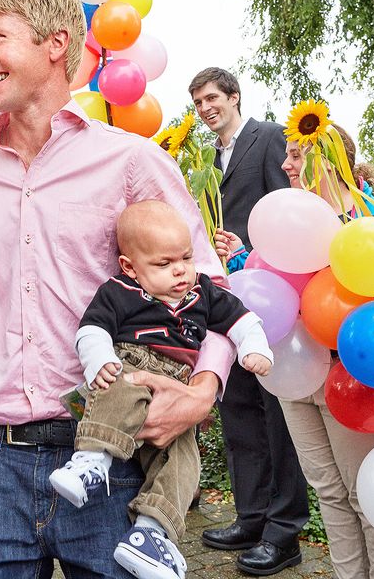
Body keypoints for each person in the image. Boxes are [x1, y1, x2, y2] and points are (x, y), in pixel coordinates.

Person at [0, 0, 235, 579]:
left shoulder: (132, 160)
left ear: (54, 43)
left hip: (113, 456)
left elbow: (210, 287)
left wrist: (202, 395)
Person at [220, 125, 374, 579]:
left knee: (372, 497)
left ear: (328, 162)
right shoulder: (288, 219)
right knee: (329, 491)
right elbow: (277, 287)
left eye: (294, 156)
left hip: (353, 380)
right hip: (293, 376)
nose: (285, 165)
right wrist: (241, 258)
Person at [49, 200, 272, 579]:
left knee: (184, 458)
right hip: (130, 363)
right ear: (130, 267)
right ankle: (91, 461)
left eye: (185, 258)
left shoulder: (202, 292)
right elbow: (92, 329)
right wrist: (99, 358)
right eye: (164, 264)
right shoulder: (119, 292)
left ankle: (151, 534)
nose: (180, 270)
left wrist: (255, 348)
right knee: (118, 389)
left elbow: (242, 319)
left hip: (176, 385)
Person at [188, 68, 307, 574]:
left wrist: (250, 250)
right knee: (239, 411)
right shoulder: (204, 161)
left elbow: (293, 215)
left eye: (212, 97)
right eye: (197, 102)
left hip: (271, 297)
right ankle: (251, 517)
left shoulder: (270, 137)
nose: (204, 108)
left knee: (278, 418)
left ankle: (285, 534)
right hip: (224, 302)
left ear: (235, 97)